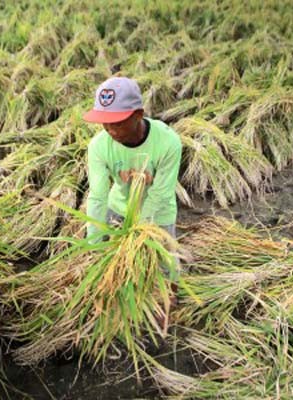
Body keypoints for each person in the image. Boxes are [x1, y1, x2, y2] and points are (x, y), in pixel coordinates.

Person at [83, 76, 182, 329]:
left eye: (117, 122)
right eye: (105, 123)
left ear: (138, 114)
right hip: (119, 208)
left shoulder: (168, 142)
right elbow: (97, 196)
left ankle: (166, 300)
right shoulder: (99, 146)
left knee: (164, 265)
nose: (111, 131)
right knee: (115, 262)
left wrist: (137, 231)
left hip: (158, 213)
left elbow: (160, 193)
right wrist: (93, 247)